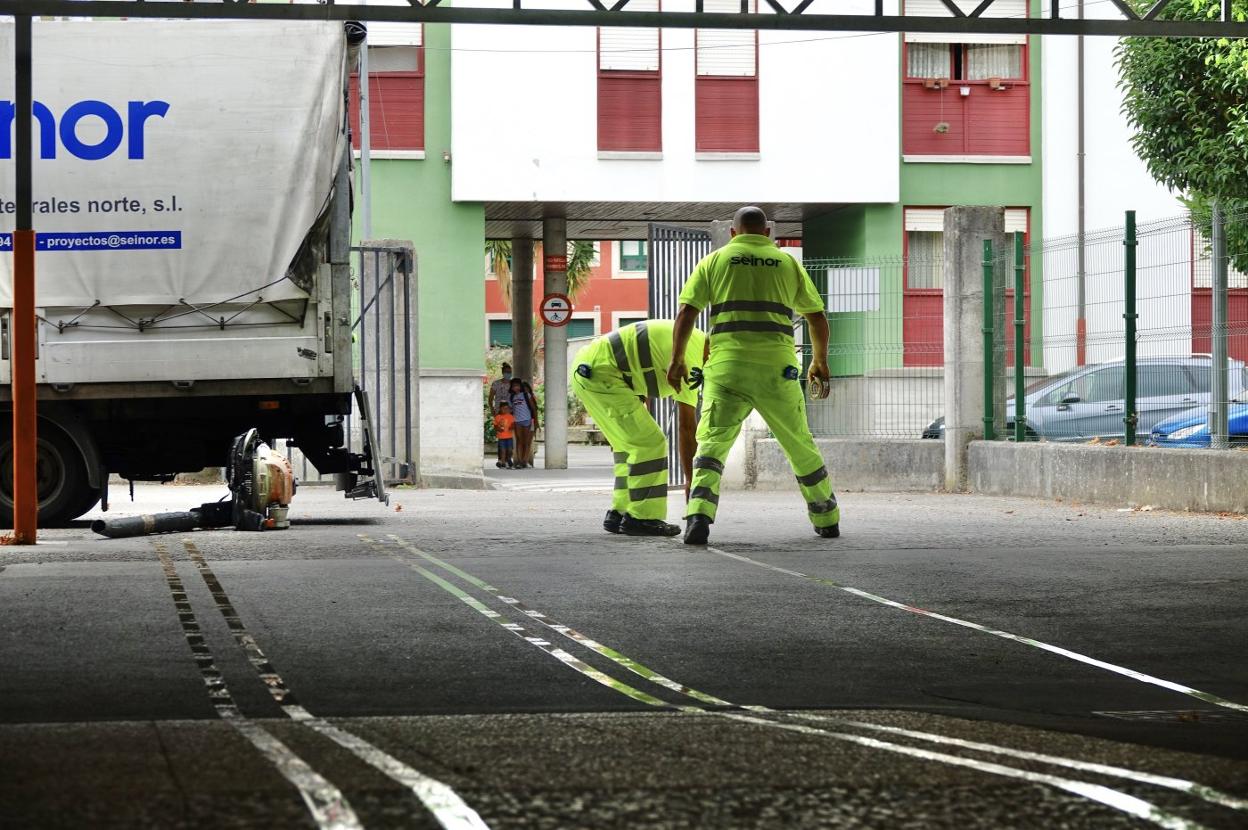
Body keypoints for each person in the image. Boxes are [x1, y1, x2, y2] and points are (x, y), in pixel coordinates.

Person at [667, 206, 839, 545]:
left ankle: (698, 516)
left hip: (727, 368)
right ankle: (826, 517)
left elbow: (687, 311)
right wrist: (820, 361)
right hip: (777, 370)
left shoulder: (716, 260)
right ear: (767, 233)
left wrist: (677, 360)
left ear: (733, 233)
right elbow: (816, 317)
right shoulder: (787, 262)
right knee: (799, 444)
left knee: (712, 444)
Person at [571, 319, 706, 537]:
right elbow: (687, 427)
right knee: (650, 442)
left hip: (589, 371)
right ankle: (643, 518)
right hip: (603, 374)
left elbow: (639, 366)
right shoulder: (694, 358)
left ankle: (620, 512)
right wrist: (691, 481)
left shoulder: (692, 338)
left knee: (629, 445)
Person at [509, 377, 540, 469]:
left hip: (527, 420)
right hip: (517, 421)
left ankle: (525, 461)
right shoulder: (512, 397)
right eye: (514, 386)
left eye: (517, 385)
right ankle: (519, 461)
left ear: (520, 386)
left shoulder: (526, 395)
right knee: (519, 441)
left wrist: (536, 422)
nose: (516, 387)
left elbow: (534, 408)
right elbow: (511, 410)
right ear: (511, 387)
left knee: (526, 442)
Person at [494, 403, 516, 468]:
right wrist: (498, 429)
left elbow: (513, 424)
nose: (505, 410)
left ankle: (508, 459)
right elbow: (495, 426)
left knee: (510, 450)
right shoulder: (497, 417)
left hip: (509, 437)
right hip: (501, 437)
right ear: (500, 409)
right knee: (503, 450)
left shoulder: (511, 416)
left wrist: (512, 427)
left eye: (507, 408)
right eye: (504, 408)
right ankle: (503, 462)